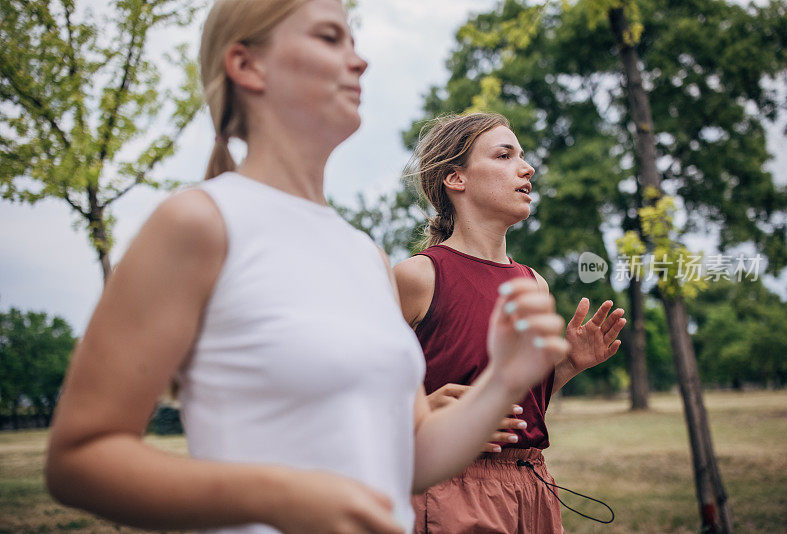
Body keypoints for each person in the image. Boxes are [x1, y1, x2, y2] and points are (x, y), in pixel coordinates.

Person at [44, 3, 570, 534]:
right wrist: (274, 495)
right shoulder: (199, 222)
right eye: (329, 38)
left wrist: (504, 378)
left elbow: (412, 459)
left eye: (354, 41)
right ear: (248, 67)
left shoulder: (364, 253)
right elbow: (78, 460)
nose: (359, 61)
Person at [394, 112, 626, 534]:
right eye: (504, 155)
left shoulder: (533, 284)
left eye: (522, 155)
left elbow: (519, 405)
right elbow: (357, 395)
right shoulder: (418, 277)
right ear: (455, 179)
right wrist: (422, 415)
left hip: (532, 486)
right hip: (450, 488)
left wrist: (568, 365)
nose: (527, 167)